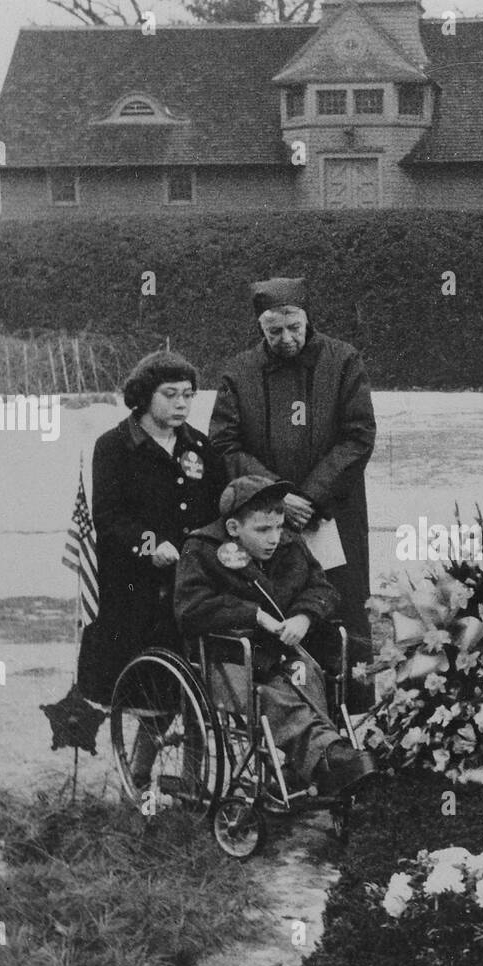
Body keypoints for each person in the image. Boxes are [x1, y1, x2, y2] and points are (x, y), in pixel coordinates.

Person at [209, 277, 376, 711]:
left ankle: (348, 720)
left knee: (338, 611)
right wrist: (278, 498)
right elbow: (224, 443)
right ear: (260, 328)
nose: (287, 339)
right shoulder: (239, 372)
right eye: (274, 332)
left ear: (307, 319)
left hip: (331, 517)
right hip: (265, 521)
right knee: (277, 615)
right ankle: (284, 722)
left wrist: (312, 497)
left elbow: (358, 437)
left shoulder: (343, 361)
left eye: (294, 328)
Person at [174, 475, 376, 797]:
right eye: (263, 530)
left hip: (283, 654)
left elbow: (321, 586)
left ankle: (318, 761)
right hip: (230, 659)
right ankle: (328, 755)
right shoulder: (202, 550)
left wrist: (304, 616)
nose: (274, 538)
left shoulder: (289, 544)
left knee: (307, 675)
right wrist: (253, 615)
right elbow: (191, 609)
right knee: (274, 695)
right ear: (233, 529)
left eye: (279, 526)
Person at [77, 351, 225, 708]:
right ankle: (140, 762)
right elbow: (110, 517)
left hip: (192, 578)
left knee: (192, 687)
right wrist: (151, 545)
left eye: (188, 395)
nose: (181, 404)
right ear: (144, 395)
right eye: (170, 394)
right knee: (147, 689)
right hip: (135, 580)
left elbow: (219, 506)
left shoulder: (200, 446)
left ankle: (179, 761)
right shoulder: (113, 447)